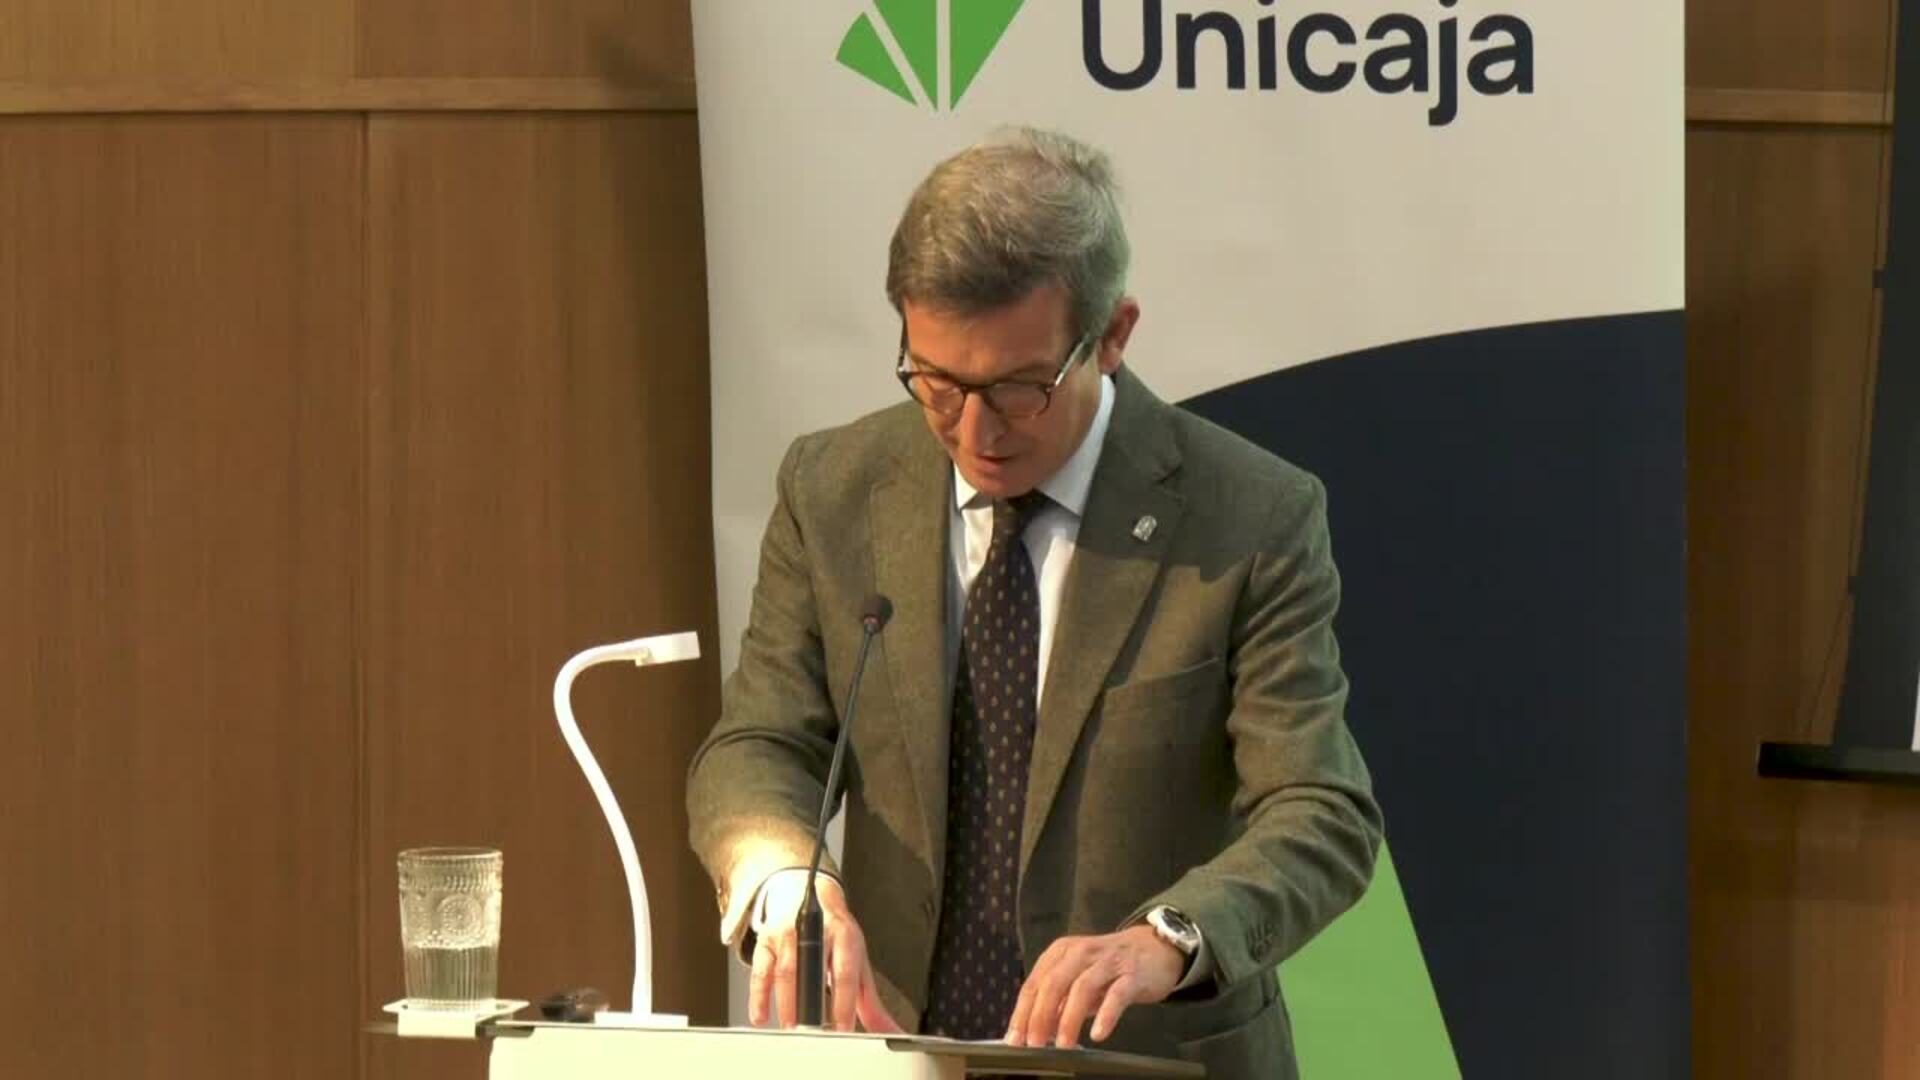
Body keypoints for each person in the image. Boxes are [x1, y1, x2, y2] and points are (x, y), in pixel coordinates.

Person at [686, 126, 1381, 1080]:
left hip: (1155, 1059)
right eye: (937, 382)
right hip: (896, 1051)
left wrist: (1168, 939)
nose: (974, 431)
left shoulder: (1249, 516)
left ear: (1113, 336)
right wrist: (782, 879)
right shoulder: (833, 488)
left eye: (1019, 389)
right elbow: (761, 745)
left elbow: (1320, 809)